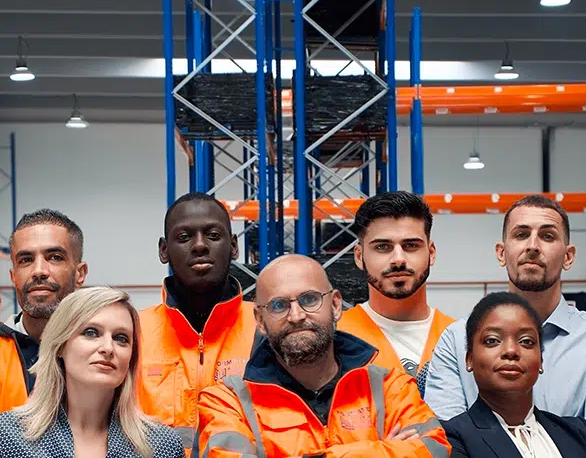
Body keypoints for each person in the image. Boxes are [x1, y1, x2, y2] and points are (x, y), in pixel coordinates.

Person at [196, 253, 450, 458]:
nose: (296, 316)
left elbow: (434, 449)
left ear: (336, 305)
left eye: (309, 299)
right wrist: (382, 450)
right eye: (278, 305)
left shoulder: (390, 389)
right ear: (260, 320)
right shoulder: (227, 403)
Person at [425, 194, 586, 437]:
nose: (533, 246)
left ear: (568, 257)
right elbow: (447, 441)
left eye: (547, 236)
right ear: (501, 253)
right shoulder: (456, 340)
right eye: (521, 234)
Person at [0, 285, 184, 457]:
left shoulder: (162, 446)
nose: (108, 348)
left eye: (121, 338)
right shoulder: (9, 437)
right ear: (60, 345)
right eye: (91, 333)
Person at [137, 192, 256, 453]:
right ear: (164, 250)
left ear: (234, 246)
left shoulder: (265, 329)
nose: (199, 245)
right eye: (184, 237)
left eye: (213, 235)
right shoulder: (134, 332)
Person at [443, 291, 586, 457]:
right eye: (492, 340)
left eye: (526, 341)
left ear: (541, 360)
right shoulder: (451, 439)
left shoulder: (579, 434)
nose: (511, 351)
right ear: (469, 359)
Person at [338, 191, 454, 394]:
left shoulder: (458, 338)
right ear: (359, 256)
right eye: (382, 247)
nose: (398, 259)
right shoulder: (336, 338)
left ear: (431, 252)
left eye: (411, 245)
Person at [0, 207, 88, 411]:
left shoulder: (108, 349)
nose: (39, 271)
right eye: (26, 260)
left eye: (55, 257)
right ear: (13, 277)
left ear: (80, 273)